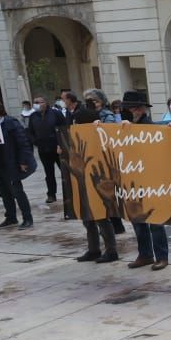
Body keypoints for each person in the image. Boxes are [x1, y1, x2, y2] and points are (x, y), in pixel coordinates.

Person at [118, 91, 169, 271]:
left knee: (154, 220)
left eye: (132, 108)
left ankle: (161, 256)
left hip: (150, 180)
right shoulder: (125, 127)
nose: (130, 112)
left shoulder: (148, 126)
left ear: (140, 109)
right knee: (137, 220)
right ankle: (145, 254)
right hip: (133, 179)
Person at [70, 105, 119, 264]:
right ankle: (94, 249)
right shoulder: (77, 135)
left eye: (77, 122)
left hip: (98, 179)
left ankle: (111, 250)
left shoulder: (99, 133)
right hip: (83, 178)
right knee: (87, 217)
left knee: (101, 216)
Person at [0, 98, 34, 229]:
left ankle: (27, 218)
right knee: (3, 192)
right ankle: (11, 217)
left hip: (10, 163)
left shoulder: (11, 123)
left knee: (17, 191)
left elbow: (23, 143)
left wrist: (23, 161)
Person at [82, 88, 126, 235]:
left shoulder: (107, 115)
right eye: (89, 101)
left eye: (95, 100)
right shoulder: (86, 114)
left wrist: (100, 125)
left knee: (109, 193)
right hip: (93, 157)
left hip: (106, 158)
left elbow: (112, 133)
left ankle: (116, 225)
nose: (93, 103)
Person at [26, 94, 68, 204]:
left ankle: (69, 193)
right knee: (49, 173)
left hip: (58, 148)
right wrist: (35, 141)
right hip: (43, 149)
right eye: (35, 102)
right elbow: (30, 132)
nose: (37, 104)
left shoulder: (55, 113)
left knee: (65, 172)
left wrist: (61, 143)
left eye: (39, 102)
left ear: (46, 103)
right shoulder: (33, 116)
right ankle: (51, 194)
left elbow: (64, 128)